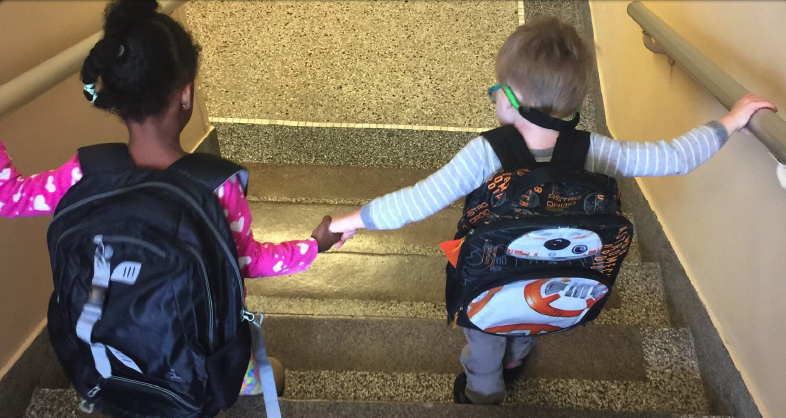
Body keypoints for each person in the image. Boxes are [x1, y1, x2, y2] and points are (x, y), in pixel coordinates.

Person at [328, 16, 777, 405]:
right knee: (528, 312)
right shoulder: (592, 149)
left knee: (484, 336)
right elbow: (673, 157)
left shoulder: (485, 153)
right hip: (555, 279)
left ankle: (483, 392)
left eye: (495, 92)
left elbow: (416, 201)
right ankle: (520, 356)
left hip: (489, 276)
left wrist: (349, 223)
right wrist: (730, 122)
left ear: (509, 97)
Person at [0, 0, 341, 401]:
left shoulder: (83, 173)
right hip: (194, 364)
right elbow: (247, 262)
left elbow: (9, 197)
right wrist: (313, 245)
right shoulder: (215, 187)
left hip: (112, 362)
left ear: (117, 101)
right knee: (273, 375)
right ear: (186, 94)